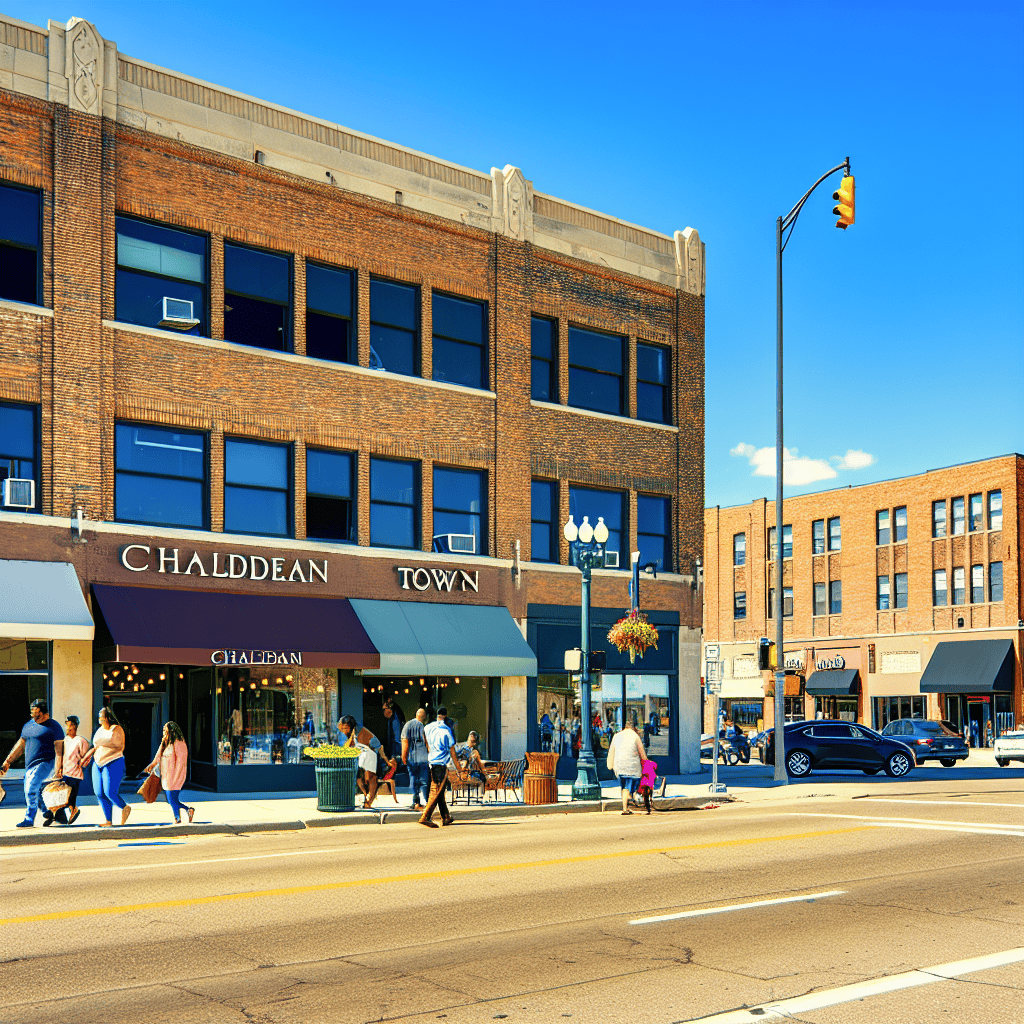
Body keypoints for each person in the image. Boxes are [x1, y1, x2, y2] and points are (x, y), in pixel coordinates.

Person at [0, 698, 65, 828]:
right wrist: (7, 761)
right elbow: (20, 745)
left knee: (30, 789)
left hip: (46, 763)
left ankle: (29, 819)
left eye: (35, 710)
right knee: (32, 790)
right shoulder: (28, 725)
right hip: (30, 765)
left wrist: (59, 768)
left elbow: (59, 751)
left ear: (42, 711)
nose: (32, 713)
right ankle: (48, 812)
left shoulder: (54, 726)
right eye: (31, 710)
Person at [81, 705, 131, 827]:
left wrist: (105, 745)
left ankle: (124, 807)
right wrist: (85, 757)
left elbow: (120, 746)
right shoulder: (99, 730)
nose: (99, 718)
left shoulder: (116, 729)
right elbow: (95, 746)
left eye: (101, 716)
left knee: (109, 792)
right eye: (99, 716)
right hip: (97, 763)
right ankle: (108, 820)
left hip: (113, 761)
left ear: (107, 717)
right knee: (99, 792)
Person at [338, 715, 395, 809]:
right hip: (361, 758)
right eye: (342, 728)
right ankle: (366, 798)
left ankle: (369, 802)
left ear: (350, 726)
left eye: (345, 728)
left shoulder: (363, 733)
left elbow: (378, 746)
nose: (344, 730)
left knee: (371, 779)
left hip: (370, 757)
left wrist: (385, 760)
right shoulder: (351, 734)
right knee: (359, 778)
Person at [144, 721, 195, 824]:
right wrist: (151, 766)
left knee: (171, 799)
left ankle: (178, 818)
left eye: (165, 730)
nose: (163, 732)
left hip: (176, 776)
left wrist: (177, 778)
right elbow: (158, 757)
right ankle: (187, 811)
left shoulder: (179, 743)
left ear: (171, 731)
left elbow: (181, 762)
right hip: (166, 776)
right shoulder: (165, 743)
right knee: (171, 799)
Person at [420, 706, 456, 828]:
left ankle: (446, 817)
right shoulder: (446, 730)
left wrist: (429, 750)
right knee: (435, 791)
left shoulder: (428, 727)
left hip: (431, 762)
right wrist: (459, 767)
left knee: (439, 791)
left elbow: (425, 739)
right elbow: (452, 751)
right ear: (445, 716)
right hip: (441, 764)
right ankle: (425, 816)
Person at [52, 715, 88, 826]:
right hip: (65, 773)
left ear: (75, 726)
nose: (68, 728)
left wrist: (81, 763)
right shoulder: (65, 740)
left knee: (69, 796)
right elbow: (62, 756)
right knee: (62, 796)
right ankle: (62, 816)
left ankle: (71, 811)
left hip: (75, 774)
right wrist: (59, 769)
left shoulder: (81, 741)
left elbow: (86, 758)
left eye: (70, 725)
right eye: (67, 725)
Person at [606, 719, 647, 815]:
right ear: (634, 728)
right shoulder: (635, 736)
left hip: (620, 767)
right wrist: (646, 761)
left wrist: (610, 765)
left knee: (624, 787)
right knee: (631, 786)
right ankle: (633, 798)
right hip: (633, 768)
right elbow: (642, 754)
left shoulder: (616, 736)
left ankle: (625, 808)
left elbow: (611, 751)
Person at [401, 708, 430, 811]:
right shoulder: (425, 727)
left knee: (413, 779)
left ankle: (416, 802)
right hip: (423, 758)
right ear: (425, 717)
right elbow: (427, 743)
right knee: (424, 781)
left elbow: (405, 742)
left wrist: (404, 756)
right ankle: (428, 803)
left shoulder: (407, 725)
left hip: (412, 757)